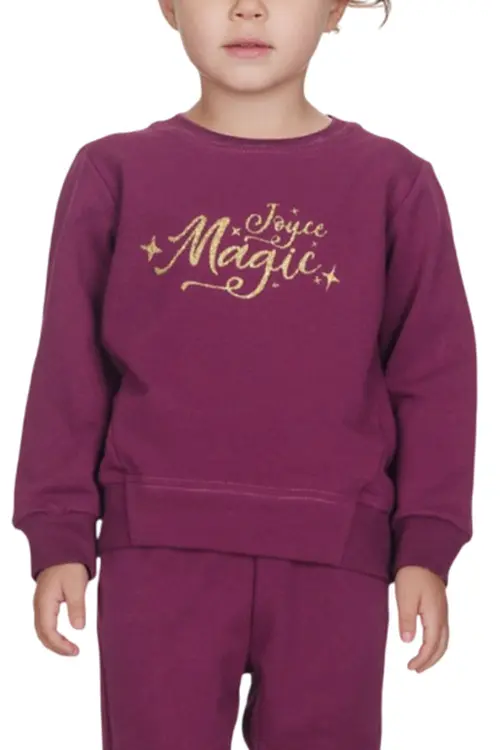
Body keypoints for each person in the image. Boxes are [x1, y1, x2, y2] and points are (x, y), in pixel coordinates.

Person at [12, 1, 477, 748]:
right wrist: (58, 532)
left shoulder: (395, 184)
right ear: (169, 6)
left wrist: (426, 544)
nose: (248, 7)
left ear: (334, 8)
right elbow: (70, 368)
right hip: (158, 558)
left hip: (335, 561)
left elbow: (434, 376)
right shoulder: (114, 173)